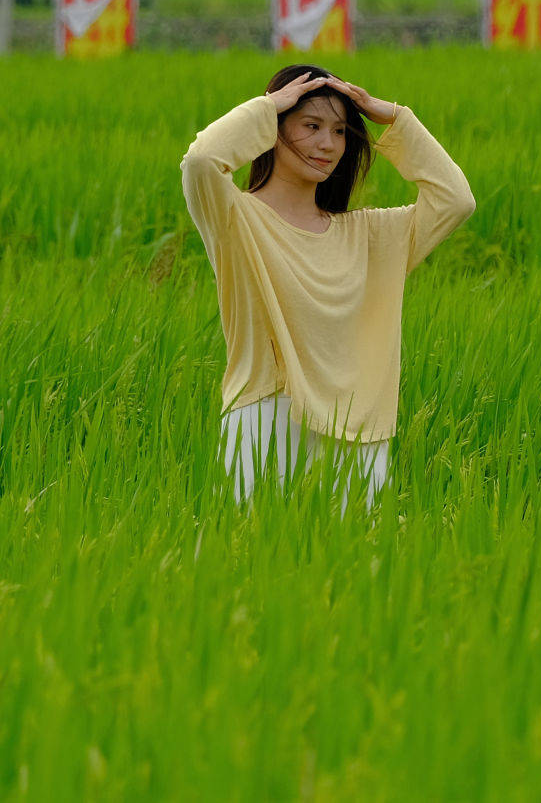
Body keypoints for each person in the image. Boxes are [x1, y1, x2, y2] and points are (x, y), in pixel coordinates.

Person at [182, 65, 475, 511]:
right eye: (311, 126)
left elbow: (455, 200)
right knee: (251, 567)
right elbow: (202, 161)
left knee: (355, 572)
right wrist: (270, 105)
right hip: (267, 418)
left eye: (339, 131)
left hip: (359, 434)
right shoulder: (235, 220)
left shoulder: (371, 236)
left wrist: (394, 117)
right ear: (273, 132)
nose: (328, 145)